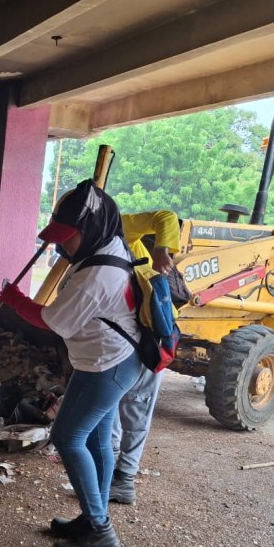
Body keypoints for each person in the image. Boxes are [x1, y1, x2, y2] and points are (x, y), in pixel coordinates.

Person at [0, 180, 142, 547]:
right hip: (106, 359)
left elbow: (52, 321)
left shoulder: (99, 276)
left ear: (91, 230)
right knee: (95, 440)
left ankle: (99, 531)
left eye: (69, 237)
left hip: (109, 364)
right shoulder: (104, 249)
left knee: (67, 437)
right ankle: (92, 517)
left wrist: (15, 301)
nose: (63, 246)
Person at [110, 210, 180, 505]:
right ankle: (108, 472)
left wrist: (161, 250)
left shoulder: (119, 226)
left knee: (136, 405)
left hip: (151, 332)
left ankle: (124, 478)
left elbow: (166, 216)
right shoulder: (86, 247)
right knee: (109, 403)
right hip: (118, 333)